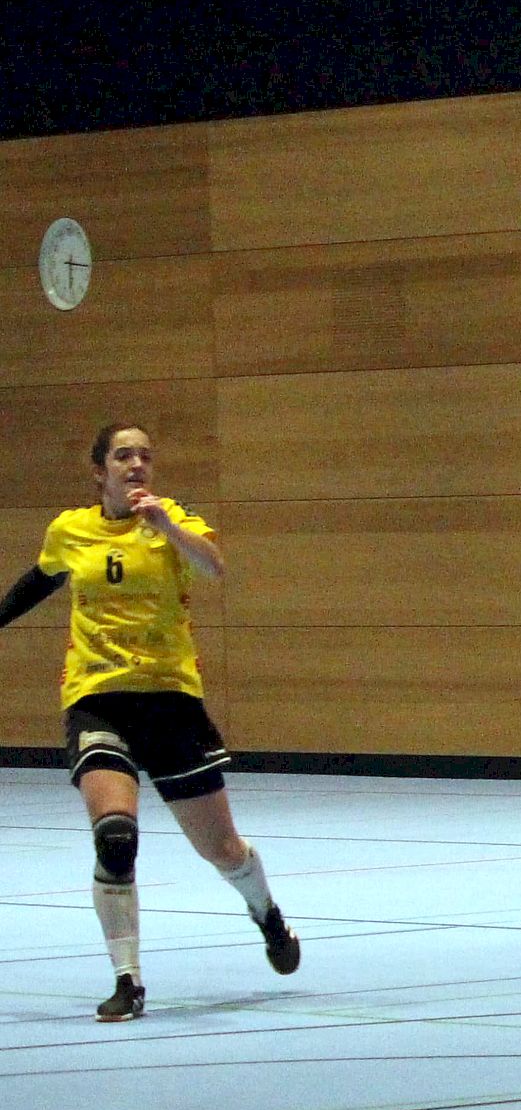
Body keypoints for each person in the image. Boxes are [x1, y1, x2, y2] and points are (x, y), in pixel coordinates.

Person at [0, 423, 299, 1022]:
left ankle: (265, 910)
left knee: (222, 850)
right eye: (122, 455)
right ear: (99, 471)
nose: (136, 464)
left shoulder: (175, 522)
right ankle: (127, 978)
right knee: (116, 835)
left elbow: (216, 567)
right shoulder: (71, 529)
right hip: (98, 697)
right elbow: (41, 579)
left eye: (144, 455)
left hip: (169, 701)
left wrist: (166, 527)